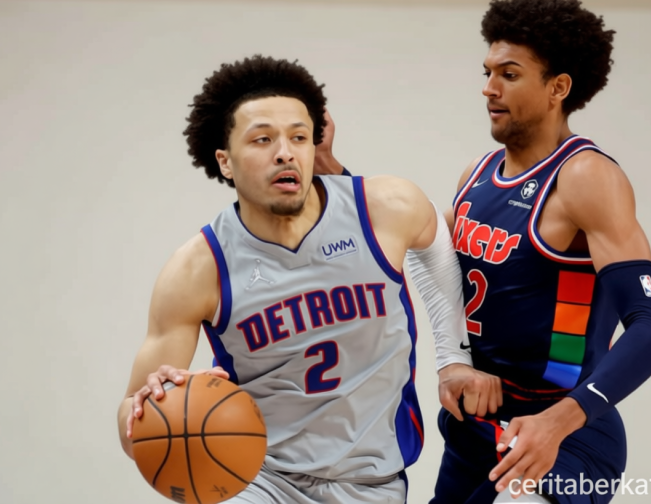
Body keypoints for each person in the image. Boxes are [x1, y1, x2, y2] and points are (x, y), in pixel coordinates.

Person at [319, 0, 651, 502]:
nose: (489, 88)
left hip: (561, 435)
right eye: (487, 72)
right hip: (478, 429)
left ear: (558, 88)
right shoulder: (478, 174)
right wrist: (330, 170)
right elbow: (408, 241)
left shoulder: (585, 177)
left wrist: (558, 422)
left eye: (509, 74)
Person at [116, 55, 470, 503]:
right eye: (262, 139)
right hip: (261, 480)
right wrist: (158, 406)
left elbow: (438, 252)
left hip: (372, 481)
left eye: (298, 137)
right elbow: (130, 423)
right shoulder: (197, 268)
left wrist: (454, 358)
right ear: (225, 162)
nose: (285, 152)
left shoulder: (384, 208)